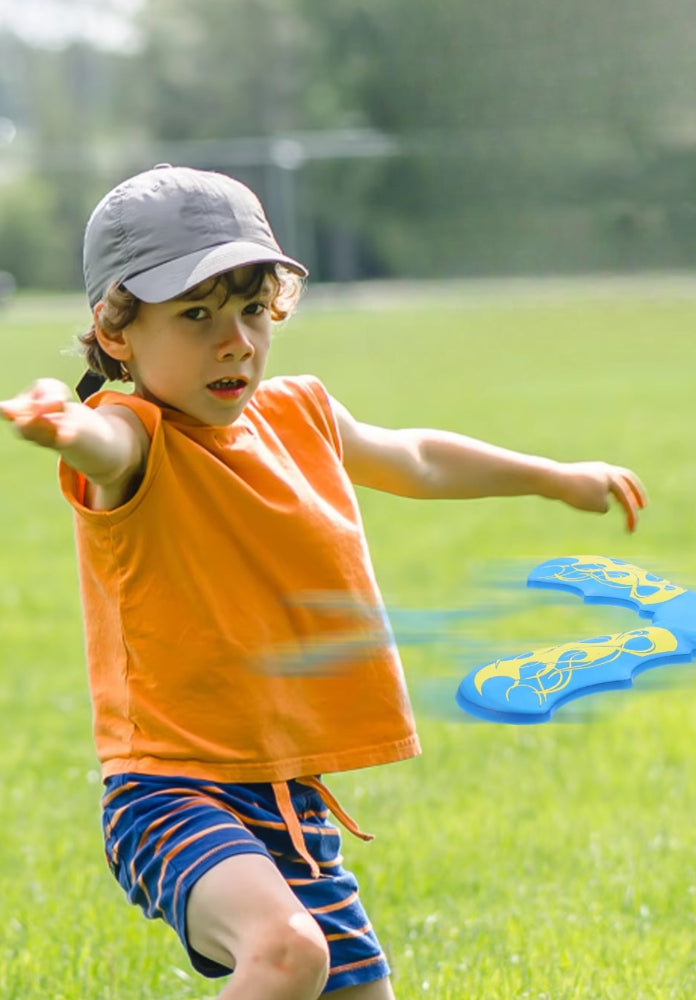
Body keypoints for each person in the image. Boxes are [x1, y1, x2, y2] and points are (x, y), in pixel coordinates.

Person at [0, 164, 647, 1000]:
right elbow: (106, 450)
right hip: (168, 791)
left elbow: (413, 456)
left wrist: (552, 475)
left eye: (249, 310)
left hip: (291, 798)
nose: (234, 340)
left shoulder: (300, 413)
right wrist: (67, 426)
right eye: (194, 315)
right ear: (117, 332)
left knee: (347, 986)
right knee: (286, 955)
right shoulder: (137, 435)